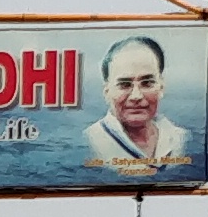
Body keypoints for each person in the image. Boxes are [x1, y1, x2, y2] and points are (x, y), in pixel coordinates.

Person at [81, 34, 196, 178]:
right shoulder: (88, 143)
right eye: (124, 85)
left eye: (147, 83)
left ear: (161, 87)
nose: (136, 96)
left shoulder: (183, 140)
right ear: (107, 92)